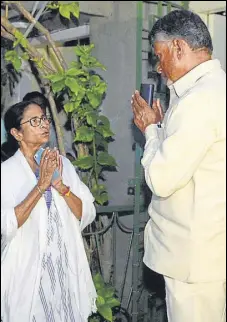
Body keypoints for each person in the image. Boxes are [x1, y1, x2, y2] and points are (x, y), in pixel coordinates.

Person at [131, 9, 226, 322]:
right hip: (206, 253)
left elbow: (160, 178)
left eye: (160, 56)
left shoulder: (199, 100)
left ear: (179, 48)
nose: (159, 68)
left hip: (192, 261)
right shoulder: (215, 90)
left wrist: (149, 129)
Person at [1, 100, 97, 321]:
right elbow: (6, 224)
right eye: (35, 121)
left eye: (44, 118)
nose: (44, 124)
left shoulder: (62, 163)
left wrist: (62, 187)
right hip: (28, 275)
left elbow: (87, 213)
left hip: (65, 269)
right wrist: (41, 186)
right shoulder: (6, 173)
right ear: (16, 133)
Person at [23, 91, 76, 160]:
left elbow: (65, 150)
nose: (38, 109)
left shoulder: (50, 127)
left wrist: (68, 157)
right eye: (34, 106)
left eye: (41, 105)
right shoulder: (21, 129)